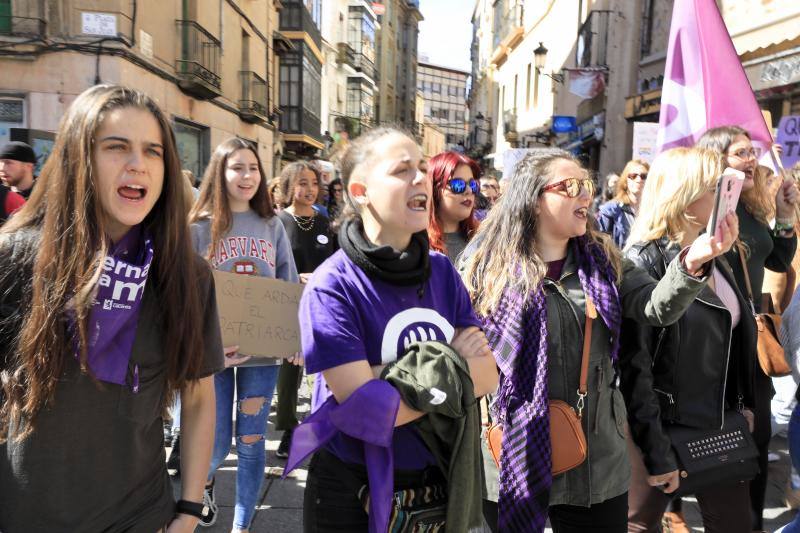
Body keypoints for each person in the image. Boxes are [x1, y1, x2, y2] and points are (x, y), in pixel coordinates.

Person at [460, 147, 738, 533]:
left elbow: (657, 308)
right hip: (509, 451)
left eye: (587, 185)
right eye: (569, 186)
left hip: (595, 459)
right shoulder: (484, 267)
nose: (585, 195)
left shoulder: (605, 259)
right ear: (534, 199)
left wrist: (692, 262)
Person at [0, 84, 223, 532]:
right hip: (25, 514)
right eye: (117, 147)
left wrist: (190, 512)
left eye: (153, 151)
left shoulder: (186, 276)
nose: (138, 164)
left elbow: (198, 397)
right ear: (78, 157)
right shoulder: (14, 256)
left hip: (139, 516)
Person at [287, 127, 498, 532]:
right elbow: (366, 410)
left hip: (439, 479)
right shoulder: (333, 284)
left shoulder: (442, 272)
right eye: (402, 170)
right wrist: (452, 368)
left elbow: (488, 374)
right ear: (360, 190)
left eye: (421, 167)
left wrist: (384, 375)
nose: (420, 178)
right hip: (351, 489)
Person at [620, 147, 756, 533]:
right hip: (657, 424)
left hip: (718, 419)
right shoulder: (643, 259)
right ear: (684, 195)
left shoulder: (720, 254)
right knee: (638, 525)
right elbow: (634, 365)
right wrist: (655, 447)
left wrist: (742, 401)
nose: (725, 195)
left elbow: (735, 337)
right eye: (715, 186)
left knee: (733, 525)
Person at [189, 137, 299, 532]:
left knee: (252, 441)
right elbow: (184, 292)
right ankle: (201, 483)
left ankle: (242, 524)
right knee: (215, 443)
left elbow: (286, 281)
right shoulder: (198, 227)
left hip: (262, 352)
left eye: (253, 168)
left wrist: (294, 338)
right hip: (211, 354)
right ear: (220, 173)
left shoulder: (272, 225)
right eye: (238, 167)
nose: (247, 176)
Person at [697, 125, 799, 532]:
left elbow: (777, 260)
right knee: (720, 445)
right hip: (714, 346)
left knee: (754, 444)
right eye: (741, 153)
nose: (752, 159)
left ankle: (751, 523)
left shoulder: (752, 210)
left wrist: (785, 215)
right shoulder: (703, 208)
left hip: (751, 342)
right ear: (716, 160)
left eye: (752, 151)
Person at [274, 161, 335, 460]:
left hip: (320, 303)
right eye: (302, 183)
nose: (309, 189)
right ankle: (288, 429)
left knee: (323, 368)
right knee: (289, 370)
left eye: (313, 183)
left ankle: (320, 424)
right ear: (288, 186)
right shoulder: (277, 222)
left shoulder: (325, 223)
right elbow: (271, 263)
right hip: (289, 303)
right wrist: (295, 277)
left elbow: (337, 263)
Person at [427, 151, 481, 264]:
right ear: (434, 189)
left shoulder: (482, 238)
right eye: (458, 185)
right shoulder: (416, 243)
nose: (469, 191)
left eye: (473, 185)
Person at [596, 160, 650, 248]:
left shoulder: (653, 211)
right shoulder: (610, 210)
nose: (639, 179)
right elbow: (599, 245)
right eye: (633, 176)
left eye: (644, 176)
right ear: (625, 180)